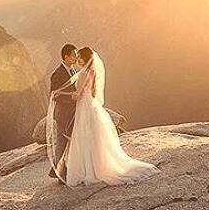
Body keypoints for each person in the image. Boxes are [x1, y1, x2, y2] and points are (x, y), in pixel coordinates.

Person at [51, 46, 159, 186]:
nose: (77, 59)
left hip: (84, 107)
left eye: (79, 57)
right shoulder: (92, 72)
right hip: (89, 106)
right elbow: (90, 92)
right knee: (92, 139)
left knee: (84, 138)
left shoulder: (83, 73)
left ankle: (84, 169)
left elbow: (77, 95)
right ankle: (94, 166)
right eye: (75, 56)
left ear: (84, 59)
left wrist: (61, 93)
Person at [47, 44, 78, 181]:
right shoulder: (57, 74)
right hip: (63, 115)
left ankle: (59, 170)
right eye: (74, 55)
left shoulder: (72, 71)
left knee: (71, 142)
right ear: (66, 57)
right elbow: (54, 95)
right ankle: (59, 173)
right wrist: (71, 96)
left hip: (73, 113)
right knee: (61, 143)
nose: (76, 58)